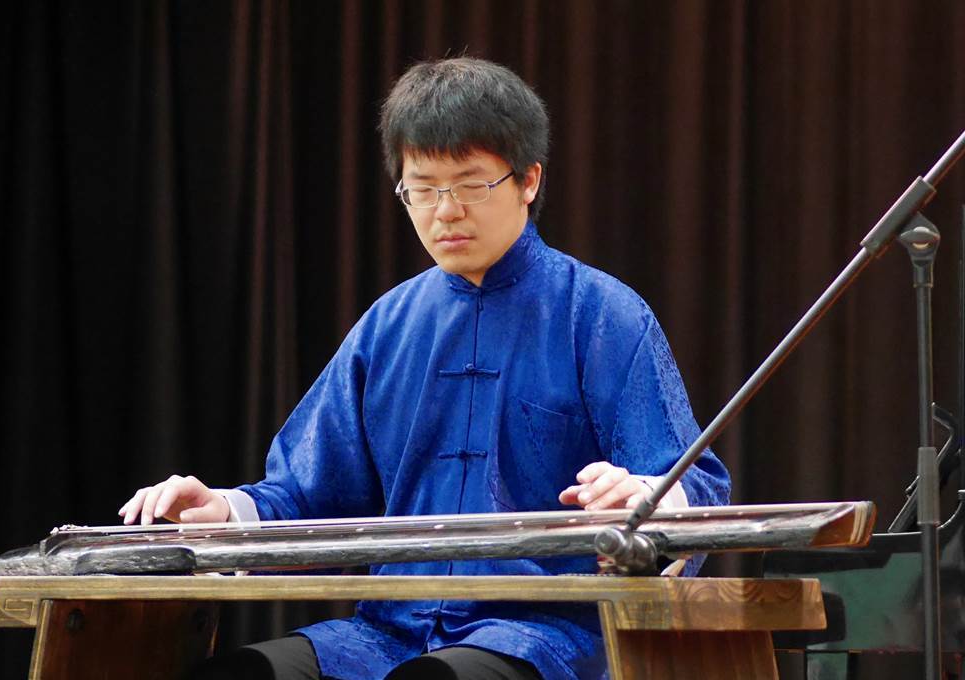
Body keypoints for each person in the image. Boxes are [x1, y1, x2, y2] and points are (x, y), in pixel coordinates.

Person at [119, 57, 731, 680]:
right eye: (424, 188)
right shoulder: (388, 326)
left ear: (528, 180)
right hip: (387, 631)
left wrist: (649, 495)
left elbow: (698, 485)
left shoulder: (601, 314)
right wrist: (223, 512)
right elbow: (309, 495)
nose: (446, 211)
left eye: (470, 185)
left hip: (540, 634)